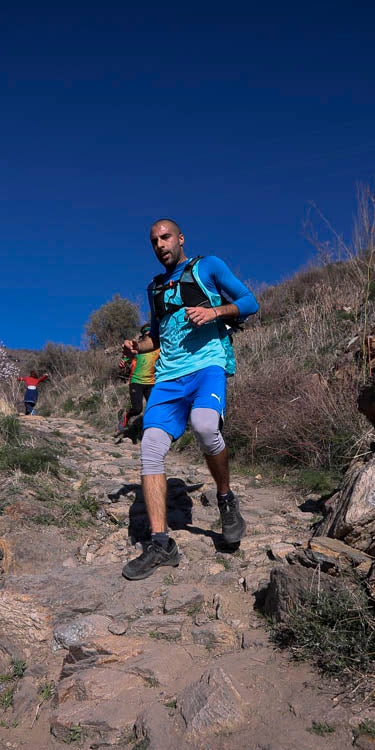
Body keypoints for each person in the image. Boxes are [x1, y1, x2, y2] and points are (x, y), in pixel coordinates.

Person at [120, 218, 259, 580]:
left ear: (180, 239)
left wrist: (214, 311)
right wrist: (138, 346)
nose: (160, 245)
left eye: (166, 237)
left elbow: (250, 302)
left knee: (204, 426)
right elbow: (156, 336)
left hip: (207, 366)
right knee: (150, 447)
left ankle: (226, 499)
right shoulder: (155, 287)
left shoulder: (207, 266)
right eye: (154, 241)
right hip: (167, 376)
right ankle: (161, 544)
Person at [117, 323, 158, 440]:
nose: (148, 334)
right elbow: (125, 360)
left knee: (153, 408)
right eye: (146, 332)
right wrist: (123, 364)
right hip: (136, 381)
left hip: (151, 382)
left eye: (151, 332)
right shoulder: (137, 348)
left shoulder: (158, 347)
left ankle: (149, 433)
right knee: (137, 409)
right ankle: (126, 416)